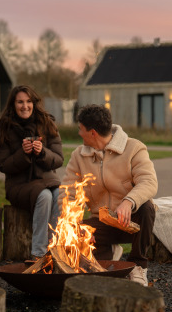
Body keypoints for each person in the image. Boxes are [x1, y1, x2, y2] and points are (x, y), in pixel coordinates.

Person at [59, 104, 158, 286]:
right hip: (102, 222)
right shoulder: (78, 156)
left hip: (131, 222)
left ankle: (138, 266)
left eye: (81, 129)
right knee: (76, 250)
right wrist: (73, 225)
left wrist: (129, 202)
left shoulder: (134, 148)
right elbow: (68, 192)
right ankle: (109, 256)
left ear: (93, 133)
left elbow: (149, 182)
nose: (79, 133)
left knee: (146, 207)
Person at [0, 85, 63, 259]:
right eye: (20, 102)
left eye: (28, 101)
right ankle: (38, 254)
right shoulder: (4, 127)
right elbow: (3, 165)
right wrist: (22, 154)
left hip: (47, 180)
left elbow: (59, 159)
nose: (25, 106)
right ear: (13, 104)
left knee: (61, 195)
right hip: (19, 185)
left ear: (34, 103)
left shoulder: (47, 123)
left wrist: (42, 152)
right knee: (45, 196)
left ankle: (55, 249)